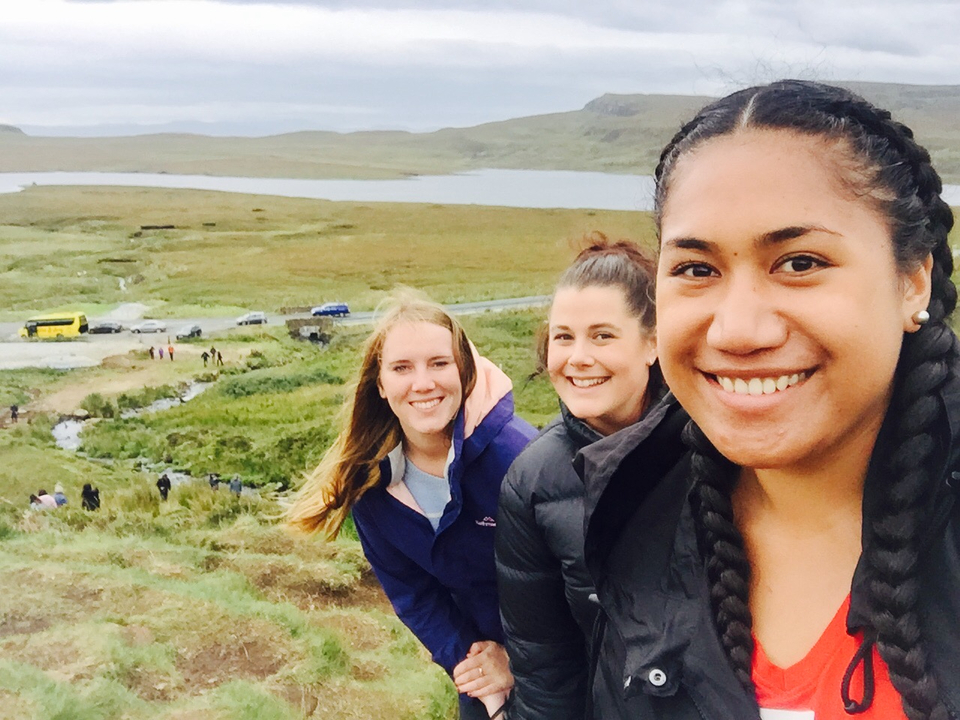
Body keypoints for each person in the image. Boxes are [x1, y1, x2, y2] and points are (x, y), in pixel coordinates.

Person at [581, 80, 960, 720]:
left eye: (800, 262)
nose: (737, 331)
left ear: (912, 282)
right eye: (697, 270)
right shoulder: (632, 508)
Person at [288, 293, 537, 719]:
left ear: (464, 371)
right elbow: (414, 595)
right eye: (402, 368)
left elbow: (580, 584)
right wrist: (476, 670)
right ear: (381, 385)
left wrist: (518, 661)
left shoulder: (520, 458)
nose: (423, 383)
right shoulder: (370, 486)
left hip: (565, 665)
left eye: (439, 363)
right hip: (480, 673)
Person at [495, 237, 661, 720]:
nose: (578, 357)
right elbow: (546, 667)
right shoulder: (531, 482)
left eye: (602, 336)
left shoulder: (716, 443)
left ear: (653, 343)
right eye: (564, 337)